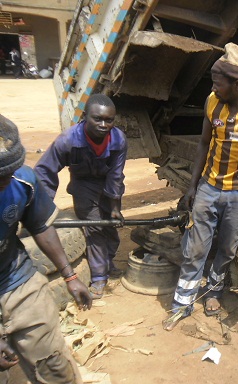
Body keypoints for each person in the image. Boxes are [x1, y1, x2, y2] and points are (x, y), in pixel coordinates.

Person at [162, 43, 238, 331]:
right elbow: (203, 145)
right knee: (196, 247)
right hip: (209, 188)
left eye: (218, 83)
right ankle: (183, 301)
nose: (213, 89)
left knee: (227, 250)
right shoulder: (212, 102)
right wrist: (192, 187)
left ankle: (213, 291)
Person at [0, 114, 92, 383]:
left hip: (17, 281)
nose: (7, 179)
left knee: (55, 369)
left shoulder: (22, 181)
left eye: (10, 170)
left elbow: (40, 225)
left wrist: (70, 276)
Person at [34, 94, 127, 299]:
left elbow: (116, 174)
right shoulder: (68, 140)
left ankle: (108, 263)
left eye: (109, 120)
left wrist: (114, 208)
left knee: (111, 228)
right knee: (94, 227)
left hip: (108, 184)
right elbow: (45, 171)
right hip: (83, 185)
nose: (103, 124)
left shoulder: (119, 139)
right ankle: (99, 277)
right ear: (85, 117)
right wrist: (41, 207)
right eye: (97, 119)